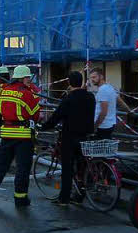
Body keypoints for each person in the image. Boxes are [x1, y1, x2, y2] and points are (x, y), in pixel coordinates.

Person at [0, 65, 40, 208]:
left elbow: (1, 110)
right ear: (22, 78)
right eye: (28, 78)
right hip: (23, 136)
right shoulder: (26, 94)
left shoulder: (5, 91)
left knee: (1, 164)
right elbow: (35, 114)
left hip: (6, 133)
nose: (29, 80)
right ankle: (20, 198)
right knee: (23, 168)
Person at [39, 71, 96, 207]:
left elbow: (57, 116)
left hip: (69, 136)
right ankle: (80, 195)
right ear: (81, 82)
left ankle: (64, 198)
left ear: (70, 83)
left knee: (67, 168)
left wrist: (43, 127)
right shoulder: (90, 97)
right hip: (85, 135)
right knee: (81, 166)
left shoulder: (69, 98)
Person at [88, 68, 118, 139]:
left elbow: (103, 112)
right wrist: (129, 110)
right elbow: (119, 100)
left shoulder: (102, 90)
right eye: (91, 78)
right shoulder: (109, 87)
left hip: (103, 126)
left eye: (94, 77)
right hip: (110, 123)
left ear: (101, 76)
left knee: (100, 145)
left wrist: (95, 127)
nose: (92, 80)